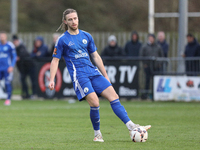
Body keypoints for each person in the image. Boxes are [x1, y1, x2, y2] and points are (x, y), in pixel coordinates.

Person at [48, 8, 151, 142]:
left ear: (78, 19)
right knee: (95, 103)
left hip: (93, 72)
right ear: (65, 22)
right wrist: (51, 79)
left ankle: (131, 126)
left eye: (75, 18)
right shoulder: (62, 40)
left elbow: (96, 56)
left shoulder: (86, 36)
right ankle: (97, 134)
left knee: (114, 96)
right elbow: (55, 60)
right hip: (80, 76)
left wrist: (105, 76)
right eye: (70, 19)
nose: (74, 21)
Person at [140, 34, 164, 99]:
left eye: (152, 38)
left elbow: (161, 56)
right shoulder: (145, 47)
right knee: (147, 80)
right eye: (150, 38)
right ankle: (146, 94)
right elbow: (141, 56)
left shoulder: (158, 46)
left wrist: (159, 64)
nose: (151, 39)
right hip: (147, 66)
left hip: (155, 67)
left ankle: (154, 95)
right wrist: (145, 64)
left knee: (155, 81)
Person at [0, 31, 17, 106]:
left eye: (3, 36)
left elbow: (14, 56)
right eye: (0, 36)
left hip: (7, 68)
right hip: (0, 68)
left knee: (7, 83)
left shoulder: (10, 45)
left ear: (6, 37)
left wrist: (11, 66)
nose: (1, 38)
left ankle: (8, 99)